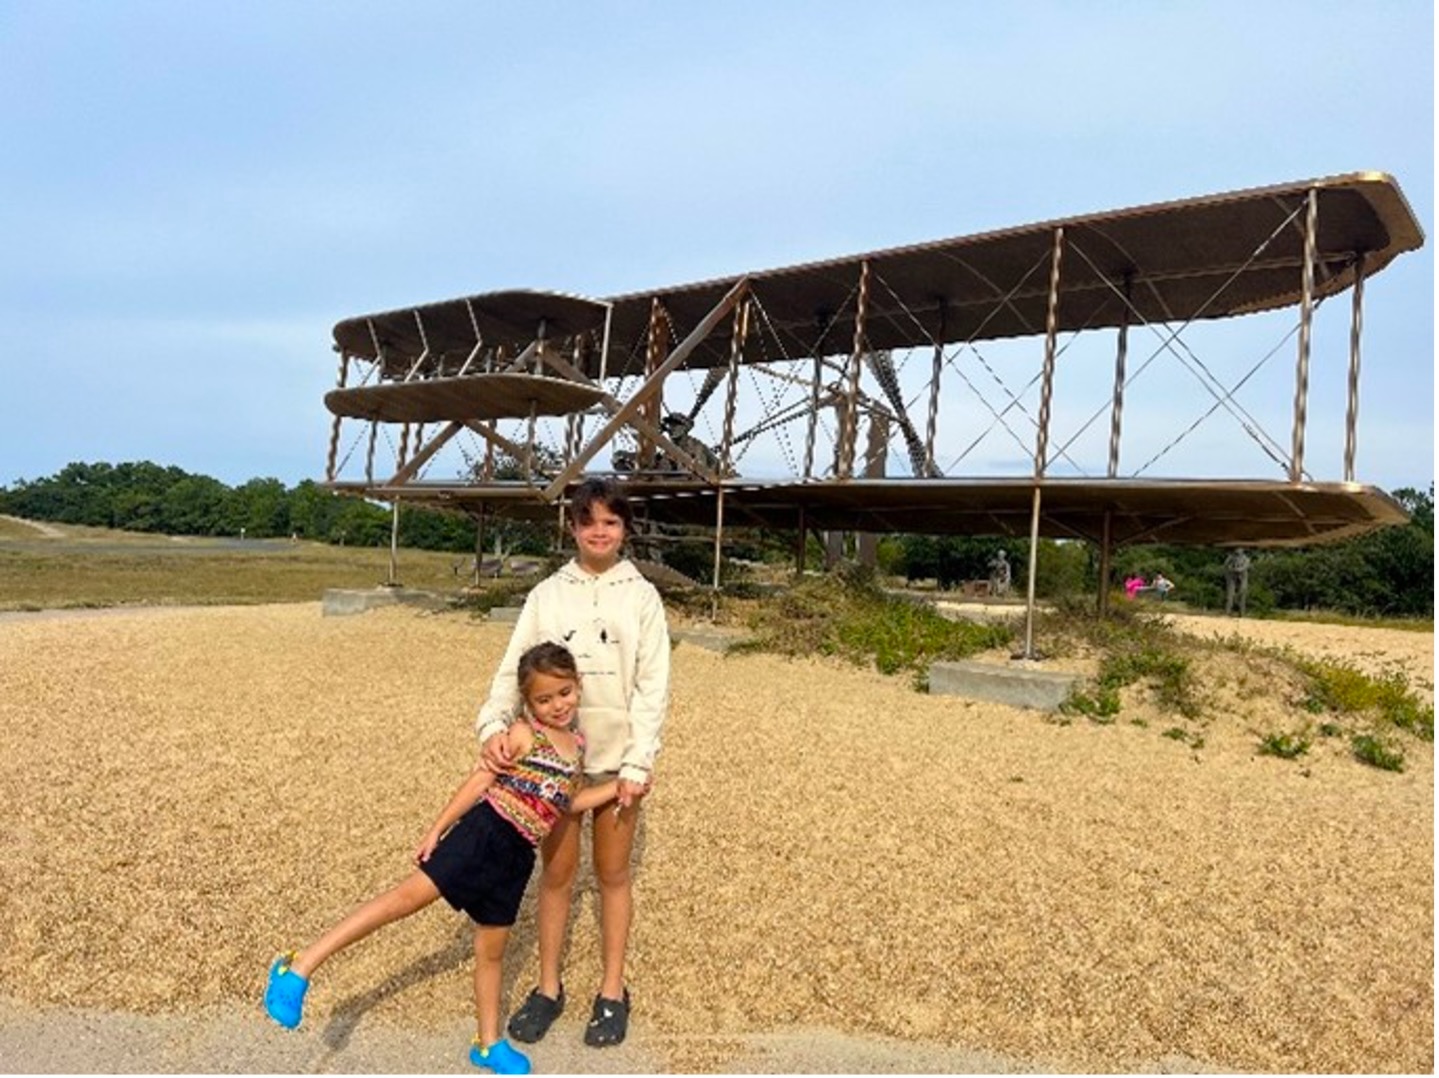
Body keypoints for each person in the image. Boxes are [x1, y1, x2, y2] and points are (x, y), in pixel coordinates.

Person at [263, 643, 617, 1075]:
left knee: (491, 951)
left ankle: (487, 1045)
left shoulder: (575, 745)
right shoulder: (524, 734)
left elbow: (565, 803)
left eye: (564, 693)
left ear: (577, 686)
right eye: (544, 699)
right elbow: (480, 780)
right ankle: (298, 967)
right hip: (482, 834)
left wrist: (621, 788)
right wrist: (437, 828)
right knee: (403, 900)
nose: (556, 705)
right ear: (528, 703)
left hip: (517, 857)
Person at [477, 477, 670, 1051]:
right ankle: (547, 987)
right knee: (557, 877)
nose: (599, 532)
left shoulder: (641, 597)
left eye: (611, 522)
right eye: (589, 522)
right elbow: (513, 668)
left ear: (625, 529)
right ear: (573, 528)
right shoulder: (547, 595)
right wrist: (493, 725)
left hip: (615, 765)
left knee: (613, 876)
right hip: (554, 764)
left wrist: (639, 761)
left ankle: (612, 990)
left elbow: (653, 687)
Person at [1224, 548, 1251, 617]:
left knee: (1242, 593)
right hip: (1232, 575)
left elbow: (1246, 566)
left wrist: (1239, 569)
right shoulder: (1231, 557)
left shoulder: (1246, 558)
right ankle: (1228, 612)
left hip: (1243, 575)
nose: (1237, 551)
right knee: (1230, 594)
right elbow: (1226, 565)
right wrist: (1231, 568)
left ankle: (1242, 613)